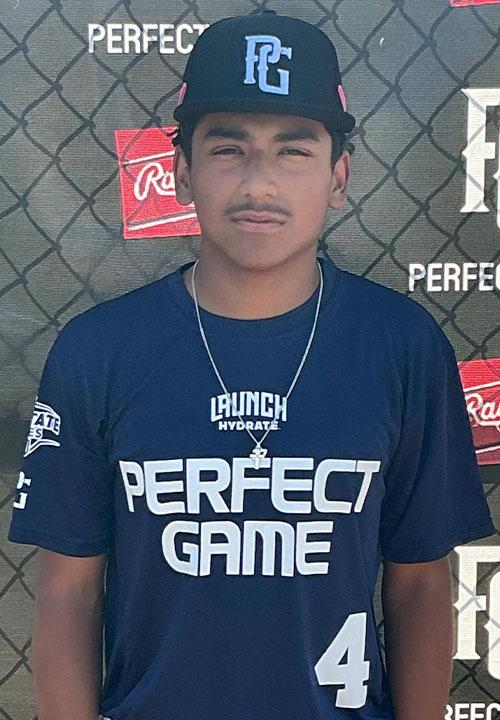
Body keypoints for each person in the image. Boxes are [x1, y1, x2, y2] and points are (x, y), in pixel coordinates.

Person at [8, 10, 496, 720]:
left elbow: (419, 583)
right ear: (182, 173)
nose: (260, 182)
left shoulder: (401, 345)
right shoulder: (99, 351)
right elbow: (68, 590)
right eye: (228, 148)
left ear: (339, 176)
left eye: (293, 150)